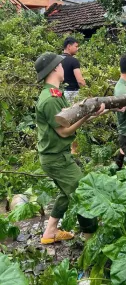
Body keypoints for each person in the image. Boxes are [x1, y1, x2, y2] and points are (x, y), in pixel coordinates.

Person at [35, 52, 105, 244]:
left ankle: (50, 232)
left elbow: (69, 118)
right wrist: (85, 117)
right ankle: (92, 239)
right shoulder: (50, 99)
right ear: (55, 69)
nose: (63, 68)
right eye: (60, 65)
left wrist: (92, 114)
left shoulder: (55, 94)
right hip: (55, 158)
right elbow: (64, 132)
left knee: (67, 192)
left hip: (57, 156)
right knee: (82, 191)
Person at [62, 37, 86, 103]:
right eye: (76, 46)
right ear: (69, 46)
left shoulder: (57, 59)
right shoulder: (73, 61)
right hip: (72, 93)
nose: (77, 49)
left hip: (60, 92)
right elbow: (80, 81)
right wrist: (87, 92)